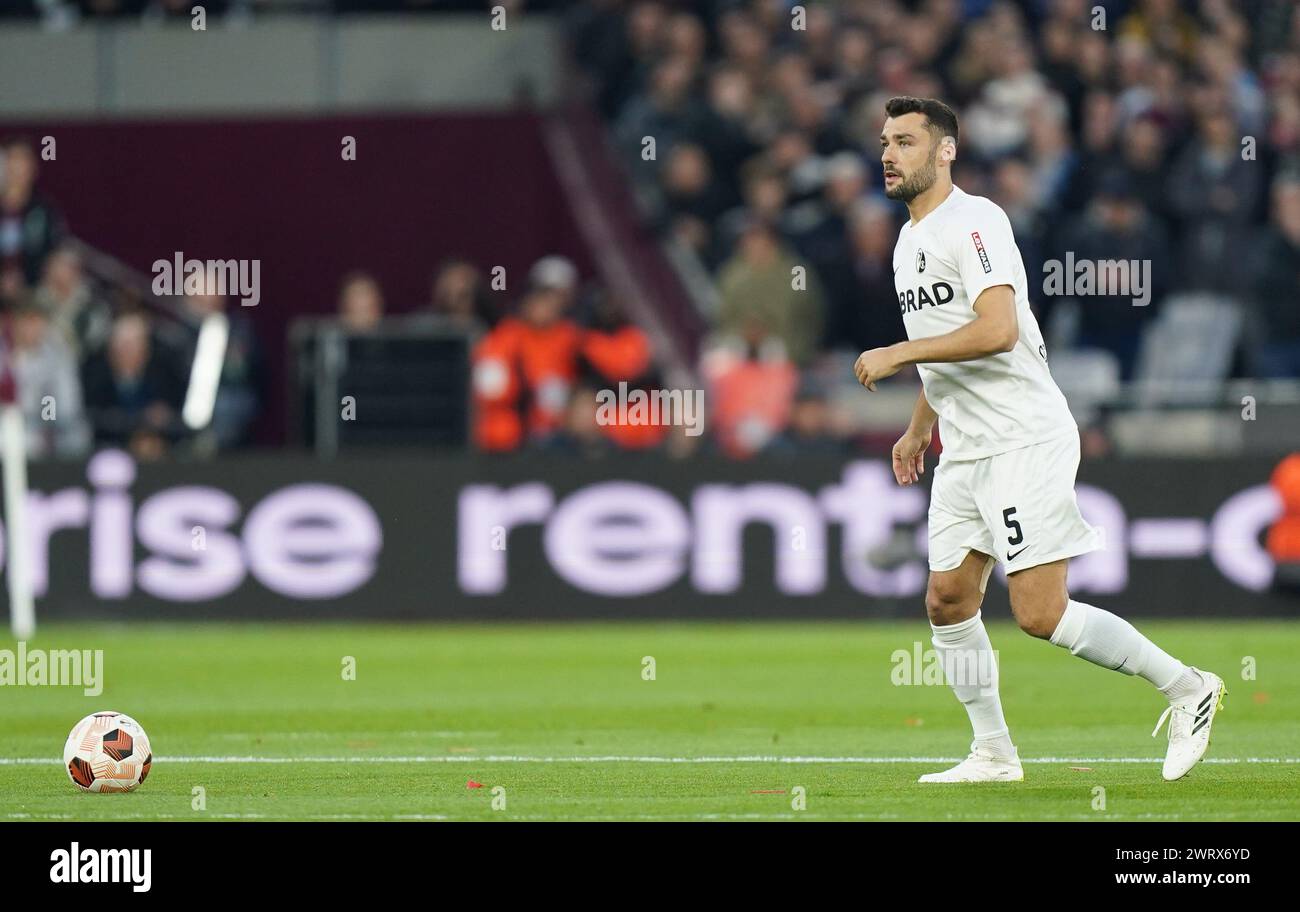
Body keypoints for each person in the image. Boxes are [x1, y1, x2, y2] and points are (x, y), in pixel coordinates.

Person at [855, 96, 1224, 783]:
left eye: (905, 140)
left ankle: (1188, 688)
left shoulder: (976, 222)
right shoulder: (909, 241)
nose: (888, 153)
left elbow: (995, 330)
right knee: (947, 599)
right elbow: (948, 353)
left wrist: (897, 352)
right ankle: (993, 753)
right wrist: (917, 428)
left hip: (1023, 435)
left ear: (945, 151)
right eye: (884, 141)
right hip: (965, 446)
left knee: (1039, 612)